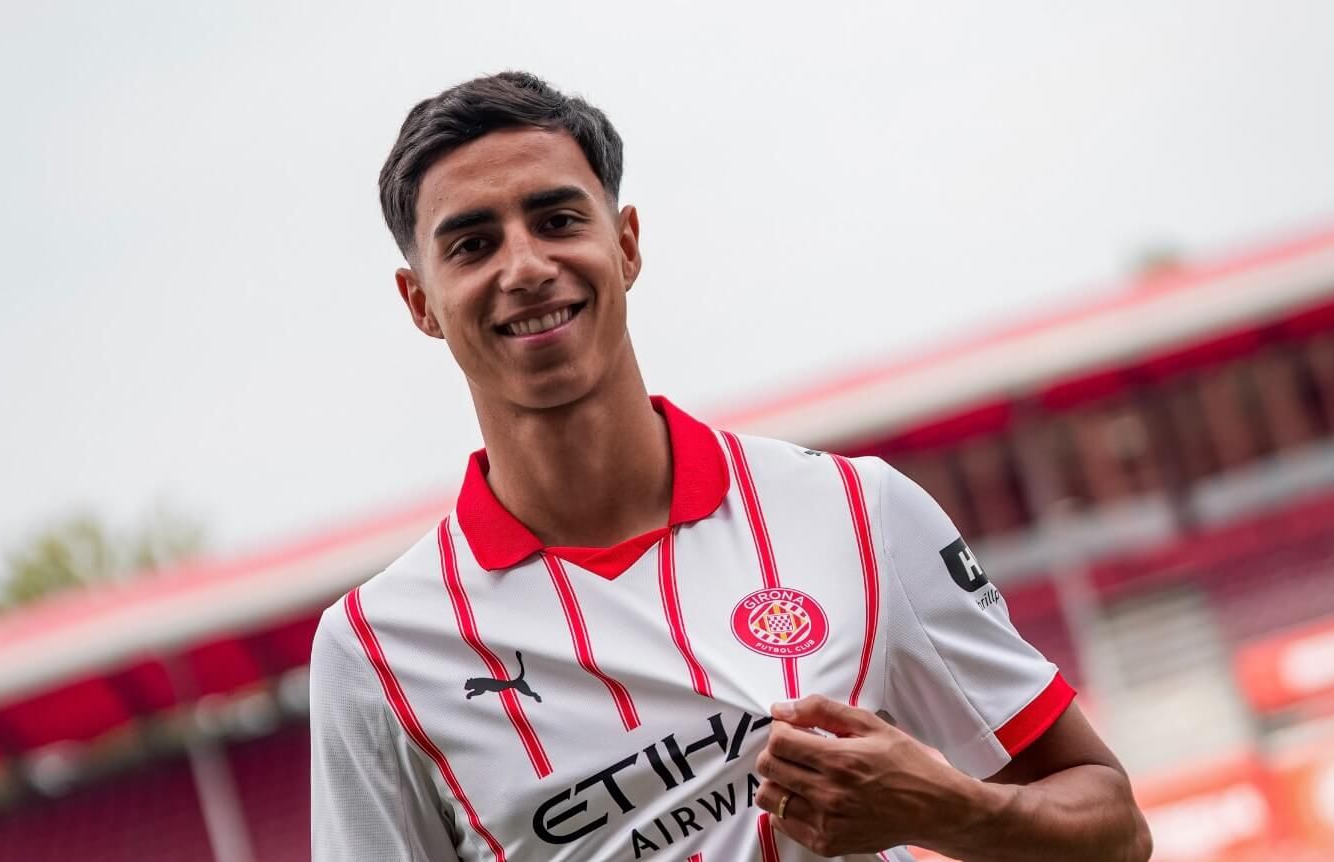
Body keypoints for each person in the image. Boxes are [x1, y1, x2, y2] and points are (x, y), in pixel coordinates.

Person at [310, 71, 1152, 862]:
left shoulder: (853, 511)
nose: (525, 267)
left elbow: (1113, 825)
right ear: (420, 302)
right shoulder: (374, 654)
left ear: (627, 244)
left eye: (558, 220)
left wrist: (951, 810)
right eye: (471, 244)